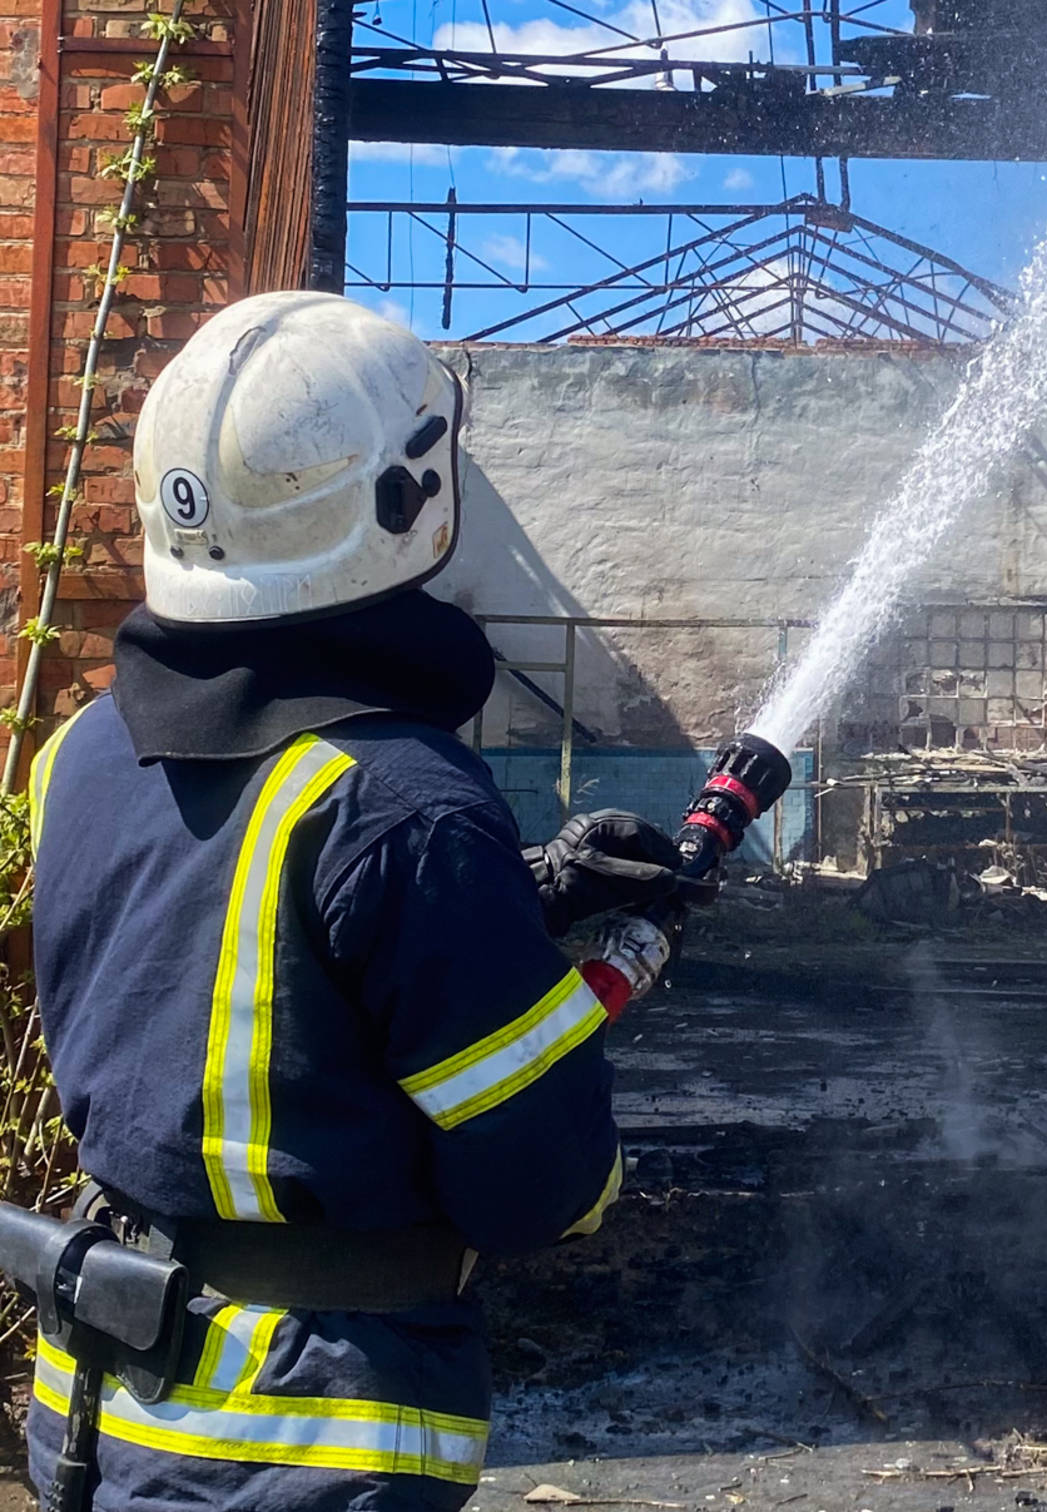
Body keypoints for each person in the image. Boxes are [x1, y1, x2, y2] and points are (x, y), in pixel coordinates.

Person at [24, 290, 704, 1511]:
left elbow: (238, 960)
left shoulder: (83, 752)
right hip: (302, 1445)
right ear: (404, 503)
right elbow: (540, 1185)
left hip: (103, 1395)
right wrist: (555, 986)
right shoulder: (403, 806)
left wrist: (526, 897)